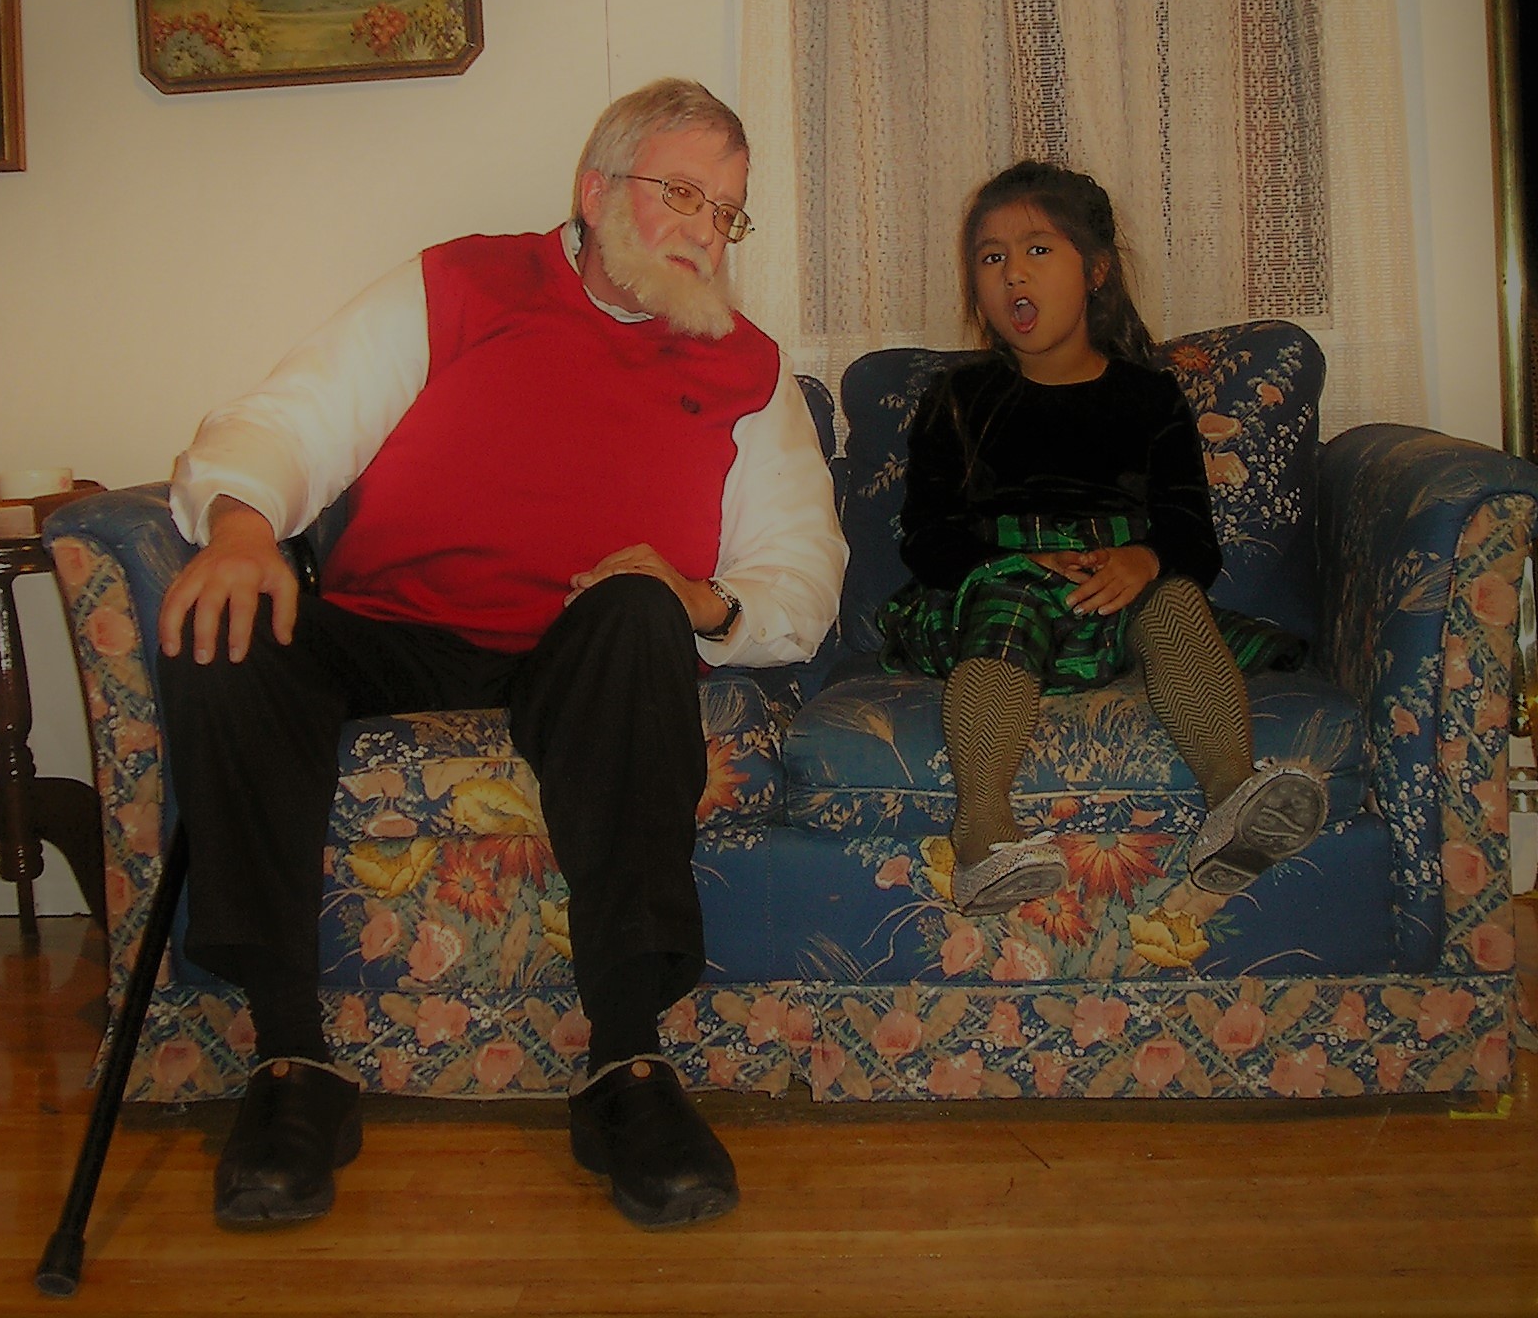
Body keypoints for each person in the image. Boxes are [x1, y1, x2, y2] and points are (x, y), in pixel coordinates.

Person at [154, 79, 844, 1232]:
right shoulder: (464, 283)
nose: (707, 231)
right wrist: (238, 528)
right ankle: (288, 1061)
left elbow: (803, 573)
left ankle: (626, 1065)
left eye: (727, 210)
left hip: (583, 654)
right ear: (595, 188)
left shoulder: (747, 365)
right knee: (227, 630)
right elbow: (293, 415)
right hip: (395, 630)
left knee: (640, 614)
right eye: (682, 193)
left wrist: (703, 597)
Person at [878, 160, 1326, 916]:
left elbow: (1192, 534)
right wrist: (1015, 563)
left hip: (1115, 598)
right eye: (991, 257)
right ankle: (983, 838)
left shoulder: (1149, 397)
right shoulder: (956, 398)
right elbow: (926, 537)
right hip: (997, 600)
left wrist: (1145, 559)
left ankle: (1233, 803)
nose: (1013, 272)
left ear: (1095, 270)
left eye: (1037, 249)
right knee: (1012, 602)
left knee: (1175, 602)